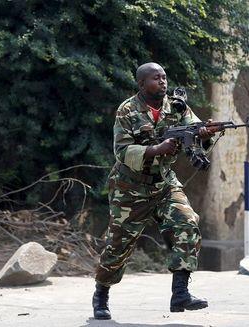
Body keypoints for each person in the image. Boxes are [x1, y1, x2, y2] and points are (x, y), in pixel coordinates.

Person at [92, 62, 215, 320]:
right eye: (156, 78)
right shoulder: (127, 110)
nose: (162, 82)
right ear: (141, 84)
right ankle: (101, 294)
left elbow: (196, 129)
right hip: (130, 187)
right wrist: (156, 149)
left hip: (164, 182)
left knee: (187, 222)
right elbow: (122, 151)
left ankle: (180, 293)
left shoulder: (177, 107)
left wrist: (205, 133)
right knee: (119, 245)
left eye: (164, 77)